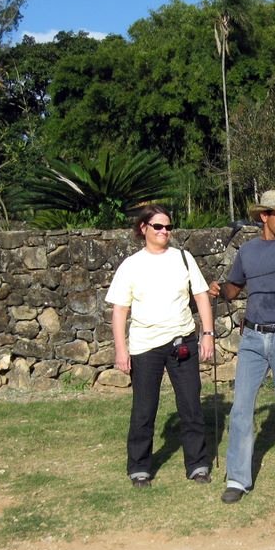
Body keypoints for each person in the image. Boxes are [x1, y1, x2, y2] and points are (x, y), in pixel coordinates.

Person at [208, 190, 275, 504]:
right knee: (241, 409)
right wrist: (219, 290)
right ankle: (238, 479)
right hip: (252, 339)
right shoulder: (248, 251)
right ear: (263, 216)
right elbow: (233, 289)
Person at [106, 204, 216, 488]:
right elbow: (119, 311)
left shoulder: (183, 258)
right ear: (144, 228)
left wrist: (208, 334)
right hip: (145, 347)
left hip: (183, 342)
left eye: (168, 226)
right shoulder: (131, 265)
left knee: (191, 406)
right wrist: (121, 349)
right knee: (144, 409)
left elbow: (202, 296)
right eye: (158, 226)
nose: (165, 231)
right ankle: (139, 467)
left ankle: (198, 464)